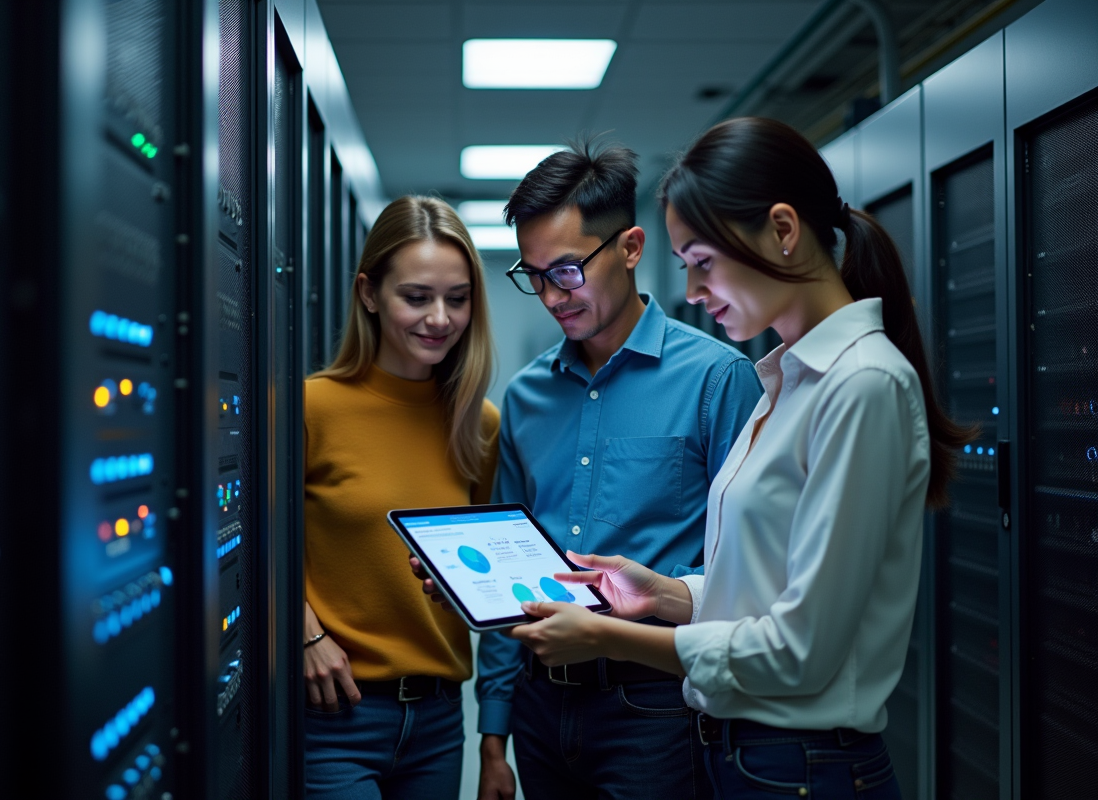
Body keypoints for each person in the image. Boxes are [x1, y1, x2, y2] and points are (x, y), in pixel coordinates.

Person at [505, 118, 974, 799]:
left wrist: (609, 639)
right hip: (747, 753)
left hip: (805, 764)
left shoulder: (863, 384)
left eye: (701, 262)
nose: (692, 292)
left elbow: (801, 652)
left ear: (783, 231)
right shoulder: (785, 382)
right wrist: (661, 592)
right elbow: (760, 586)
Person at [415, 139, 763, 800]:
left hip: (657, 707)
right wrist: (494, 737)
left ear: (630, 248)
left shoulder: (718, 381)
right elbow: (510, 578)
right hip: (542, 711)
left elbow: (746, 575)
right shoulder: (524, 398)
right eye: (534, 274)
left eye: (568, 270)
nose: (551, 295)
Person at [303, 195, 501, 798]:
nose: (439, 318)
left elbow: (486, 575)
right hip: (335, 713)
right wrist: (302, 634)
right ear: (369, 293)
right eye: (416, 297)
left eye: (458, 299)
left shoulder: (479, 423)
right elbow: (241, 547)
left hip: (440, 721)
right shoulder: (312, 407)